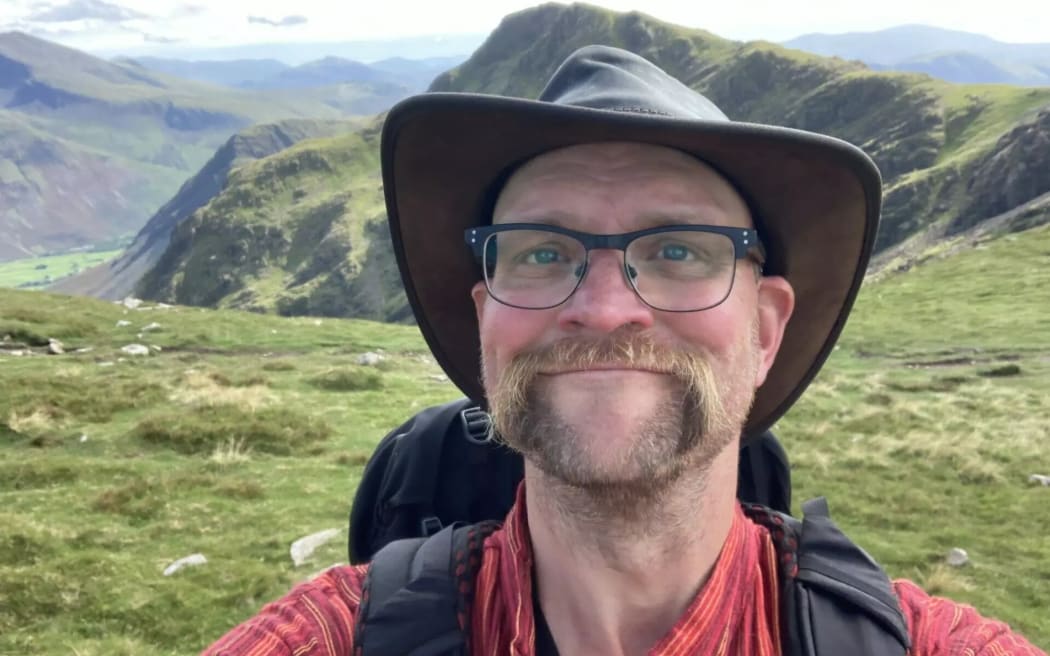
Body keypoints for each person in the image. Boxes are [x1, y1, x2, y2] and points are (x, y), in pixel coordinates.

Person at [204, 45, 1044, 655]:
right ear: (486, 319)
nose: (605, 311)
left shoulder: (926, 646)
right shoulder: (328, 639)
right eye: (540, 252)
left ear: (764, 329)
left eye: (680, 250)